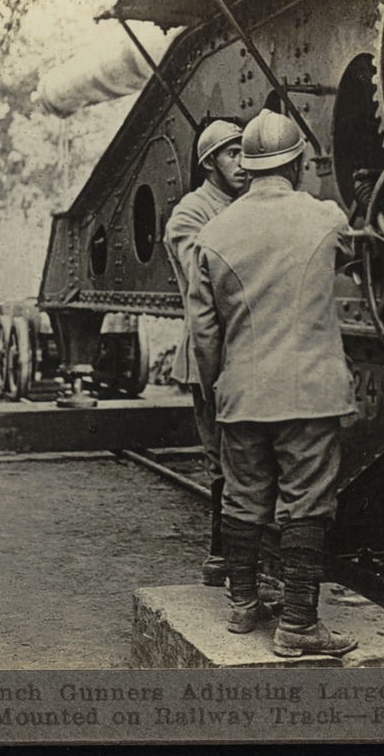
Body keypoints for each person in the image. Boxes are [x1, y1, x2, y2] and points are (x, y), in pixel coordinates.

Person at [187, 109, 358, 658]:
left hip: (240, 395)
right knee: (307, 502)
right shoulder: (325, 217)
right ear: (299, 162)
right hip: (310, 390)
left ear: (249, 164)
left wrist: (219, 394)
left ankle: (242, 608)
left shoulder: (212, 236)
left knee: (243, 497)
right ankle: (300, 626)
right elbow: (355, 257)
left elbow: (203, 334)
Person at [164, 119, 246, 586]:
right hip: (208, 350)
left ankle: (238, 556)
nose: (242, 162)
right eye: (232, 154)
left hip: (247, 347)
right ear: (209, 161)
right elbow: (206, 272)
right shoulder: (189, 213)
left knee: (248, 457)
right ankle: (222, 556)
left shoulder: (244, 203)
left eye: (244, 152)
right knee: (222, 458)